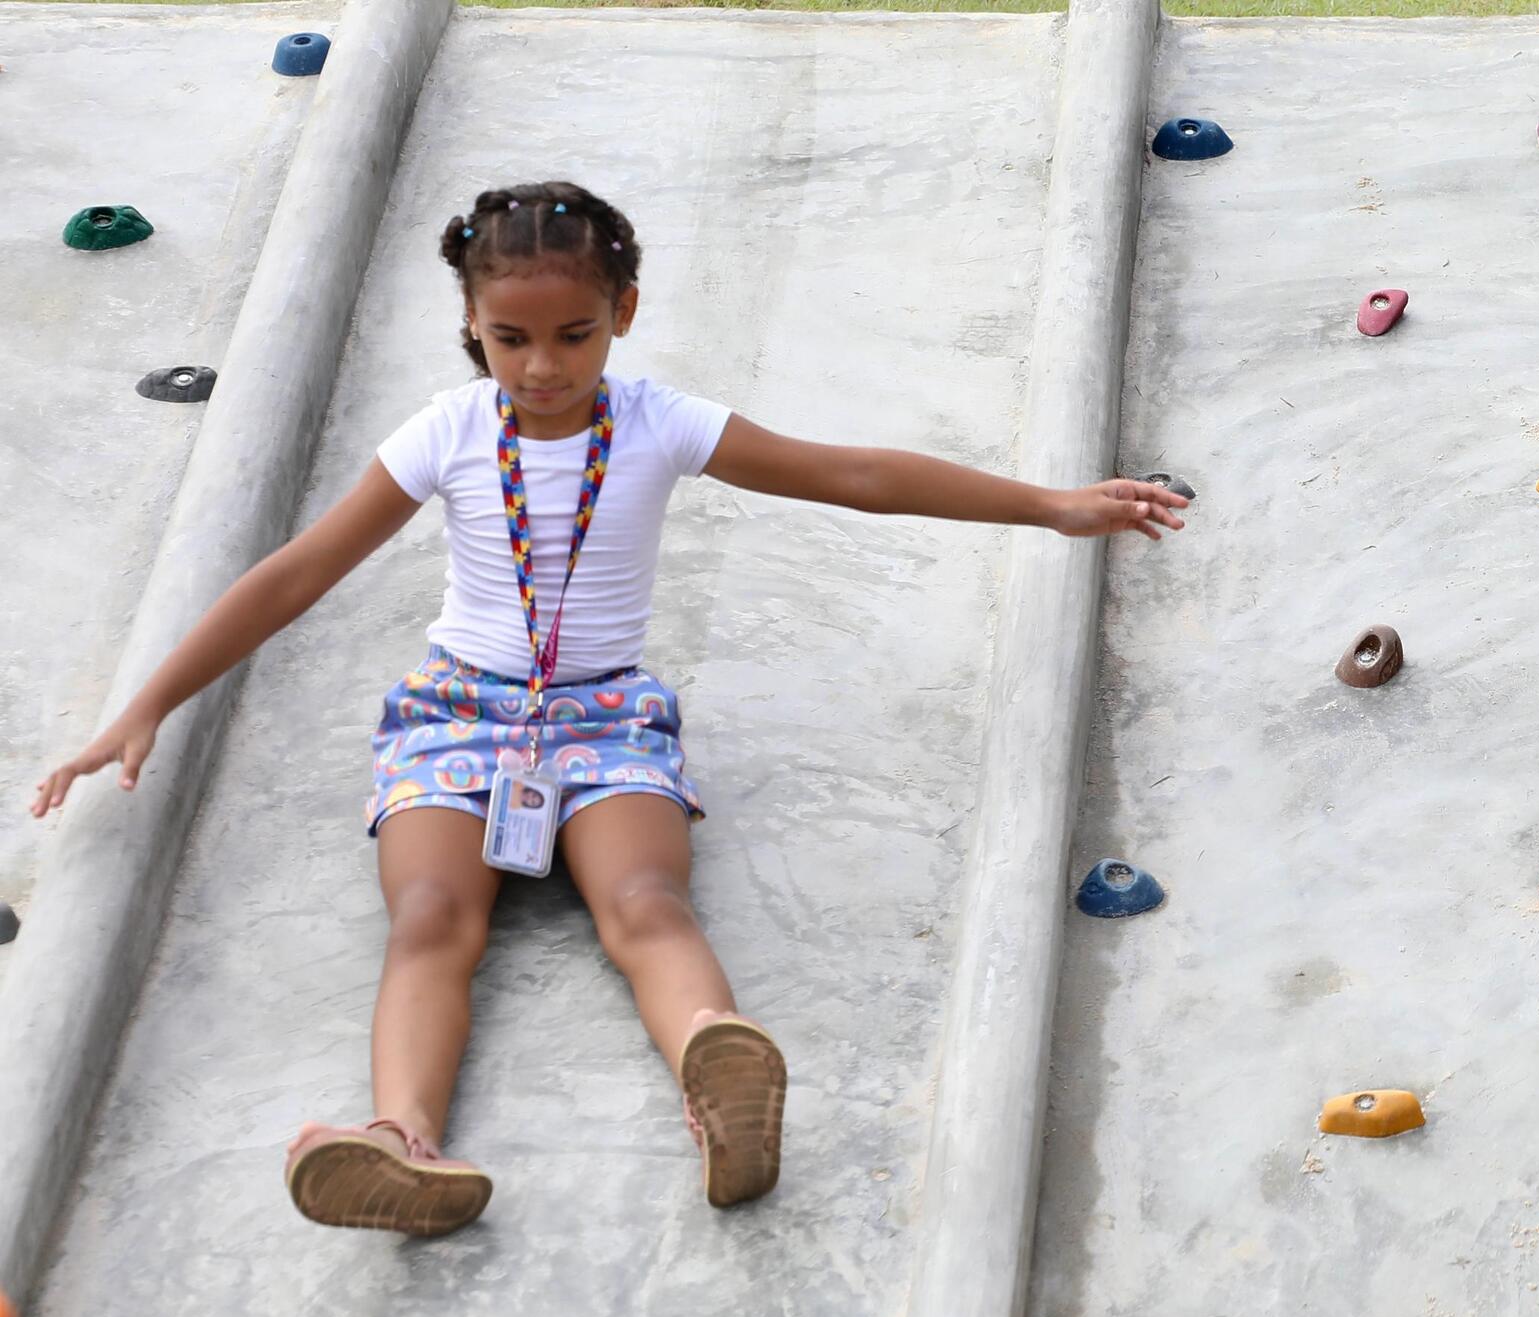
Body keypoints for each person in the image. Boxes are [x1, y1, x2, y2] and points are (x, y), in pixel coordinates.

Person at [31, 180, 1186, 1237]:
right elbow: (297, 570)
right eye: (511, 338)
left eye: (572, 334)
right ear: (472, 327)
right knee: (431, 914)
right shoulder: (444, 433)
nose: (541, 365)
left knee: (646, 900)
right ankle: (399, 1144)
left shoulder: (654, 423)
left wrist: (1047, 505)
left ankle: (717, 1074)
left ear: (623, 313)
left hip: (604, 718)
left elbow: (853, 474)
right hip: (455, 712)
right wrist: (151, 703)